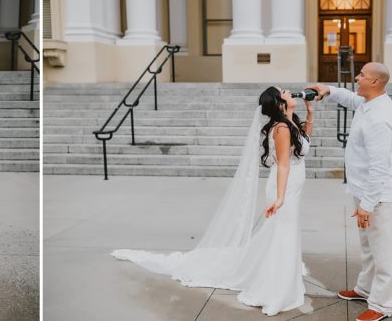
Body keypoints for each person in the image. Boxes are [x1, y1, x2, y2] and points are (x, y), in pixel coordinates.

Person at [112, 86, 314, 316]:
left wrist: (309, 112)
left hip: (290, 187)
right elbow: (284, 165)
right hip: (283, 188)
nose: (289, 92)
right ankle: (276, 289)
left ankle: (283, 280)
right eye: (284, 91)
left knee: (283, 234)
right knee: (282, 234)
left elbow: (304, 144)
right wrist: (280, 198)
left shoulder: (287, 122)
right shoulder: (281, 129)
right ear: (279, 102)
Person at [307, 62, 392, 321]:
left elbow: (380, 168)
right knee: (368, 246)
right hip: (363, 190)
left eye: (362, 75)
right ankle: (364, 289)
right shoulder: (369, 102)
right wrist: (328, 89)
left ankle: (381, 305)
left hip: (378, 196)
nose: (357, 78)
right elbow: (350, 98)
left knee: (383, 251)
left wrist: (367, 204)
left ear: (375, 82)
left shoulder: (380, 118)